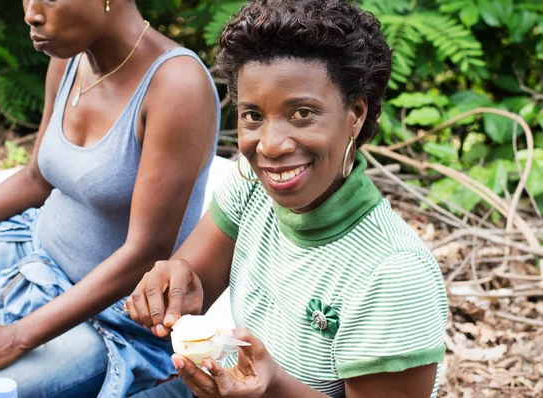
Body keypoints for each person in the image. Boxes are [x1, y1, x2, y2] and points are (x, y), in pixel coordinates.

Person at [125, 0, 448, 397]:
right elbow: (194, 281)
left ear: (356, 115)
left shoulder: (393, 273)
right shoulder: (250, 185)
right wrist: (172, 284)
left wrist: (273, 387)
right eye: (253, 116)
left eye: (302, 114)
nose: (271, 146)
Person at [0, 0, 220, 396]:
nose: (31, 13)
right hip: (32, 249)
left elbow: (146, 251)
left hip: (108, 313)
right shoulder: (70, 57)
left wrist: (15, 337)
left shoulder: (176, 86)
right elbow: (36, 178)